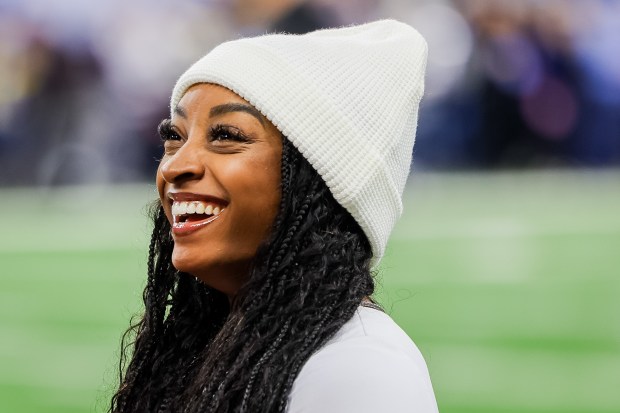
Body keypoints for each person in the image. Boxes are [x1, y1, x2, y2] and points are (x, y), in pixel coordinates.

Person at [110, 20, 438, 413]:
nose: (176, 165)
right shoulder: (223, 342)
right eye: (175, 135)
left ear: (316, 180)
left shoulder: (360, 370)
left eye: (226, 136)